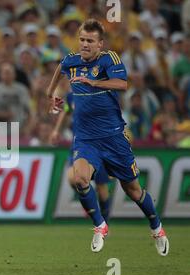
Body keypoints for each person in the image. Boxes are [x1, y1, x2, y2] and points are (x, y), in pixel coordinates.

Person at [46, 19, 169, 256]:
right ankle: (100, 225)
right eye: (82, 39)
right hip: (85, 138)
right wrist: (51, 94)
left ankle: (157, 228)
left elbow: (122, 84)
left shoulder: (109, 59)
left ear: (100, 44)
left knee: (132, 190)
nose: (84, 44)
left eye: (90, 41)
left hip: (113, 137)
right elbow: (59, 70)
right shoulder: (71, 60)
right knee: (80, 179)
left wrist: (94, 81)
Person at [49, 95, 113, 223]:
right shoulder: (72, 96)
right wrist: (56, 130)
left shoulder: (99, 93)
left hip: (98, 145)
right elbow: (66, 111)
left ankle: (104, 223)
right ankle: (89, 198)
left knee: (102, 187)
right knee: (72, 178)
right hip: (78, 144)